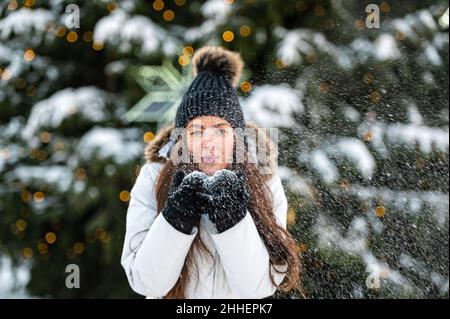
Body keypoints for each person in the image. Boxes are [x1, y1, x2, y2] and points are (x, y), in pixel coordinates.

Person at [121, 46, 301, 299]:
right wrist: (176, 217)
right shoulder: (154, 177)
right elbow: (146, 283)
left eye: (220, 130)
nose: (209, 141)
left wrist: (233, 219)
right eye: (196, 131)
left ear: (236, 137)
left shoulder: (265, 181)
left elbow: (258, 288)